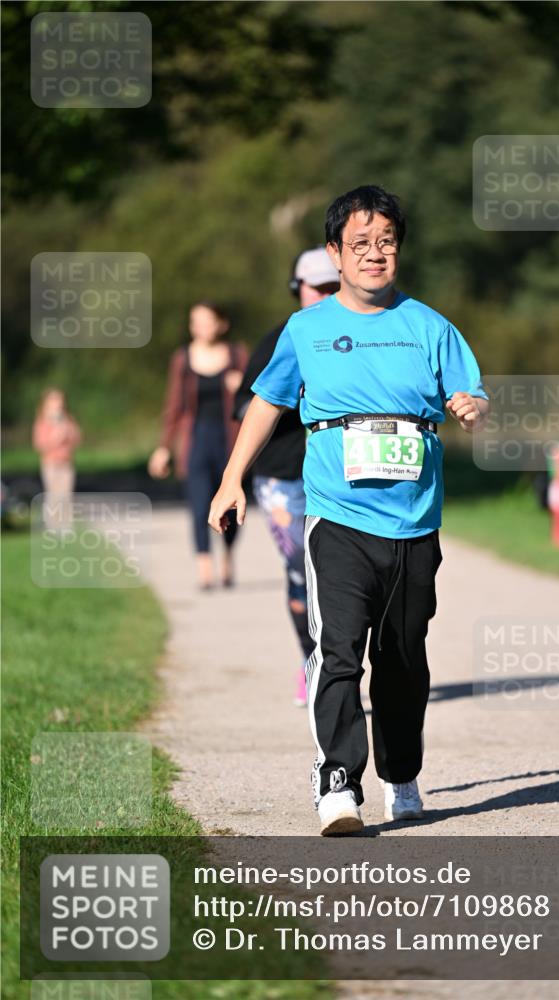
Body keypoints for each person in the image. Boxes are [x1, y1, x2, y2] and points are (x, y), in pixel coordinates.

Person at [208, 185, 488, 835]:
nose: (373, 254)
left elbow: (467, 392)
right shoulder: (304, 330)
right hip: (334, 517)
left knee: (402, 657)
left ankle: (401, 773)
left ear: (398, 249)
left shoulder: (428, 326)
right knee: (338, 651)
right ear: (334, 253)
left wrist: (472, 407)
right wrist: (230, 481)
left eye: (385, 242)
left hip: (414, 519)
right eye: (359, 244)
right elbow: (266, 404)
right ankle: (337, 779)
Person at [234, 248, 340, 706]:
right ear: (298, 289)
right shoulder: (282, 339)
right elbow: (245, 406)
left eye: (334, 286)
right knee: (301, 572)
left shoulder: (355, 336)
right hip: (282, 477)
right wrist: (293, 397)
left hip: (340, 477)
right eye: (318, 287)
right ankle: (310, 660)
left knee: (344, 576)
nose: (326, 296)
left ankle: (340, 664)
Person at [149, 301, 248, 590]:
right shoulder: (182, 359)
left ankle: (228, 555)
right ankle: (205, 566)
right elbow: (174, 406)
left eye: (207, 321)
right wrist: (164, 447)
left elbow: (259, 398)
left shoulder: (237, 355)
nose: (201, 327)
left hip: (230, 441)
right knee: (198, 504)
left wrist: (241, 385)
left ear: (222, 324)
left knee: (229, 503)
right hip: (196, 443)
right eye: (196, 321)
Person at [32, 388, 81, 533]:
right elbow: (40, 444)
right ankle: (52, 525)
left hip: (66, 462)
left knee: (66, 494)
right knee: (53, 494)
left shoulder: (67, 419)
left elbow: (77, 438)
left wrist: (68, 430)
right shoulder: (42, 421)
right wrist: (56, 436)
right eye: (54, 400)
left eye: (59, 400)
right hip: (50, 463)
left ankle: (65, 525)